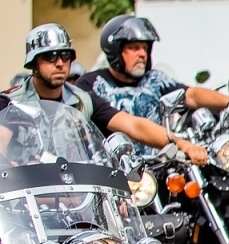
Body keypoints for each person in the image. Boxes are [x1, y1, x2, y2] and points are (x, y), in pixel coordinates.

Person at [8, 24, 208, 163]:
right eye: (50, 56)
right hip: (23, 205)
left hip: (74, 201)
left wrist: (182, 144)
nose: (60, 63)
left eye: (65, 55)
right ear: (34, 63)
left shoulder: (82, 100)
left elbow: (134, 125)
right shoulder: (11, 103)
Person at [77, 15, 229, 145]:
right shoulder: (90, 84)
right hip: (113, 171)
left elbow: (192, 95)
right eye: (134, 48)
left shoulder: (155, 79)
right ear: (115, 51)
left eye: (145, 48)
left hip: (159, 166)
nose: (142, 54)